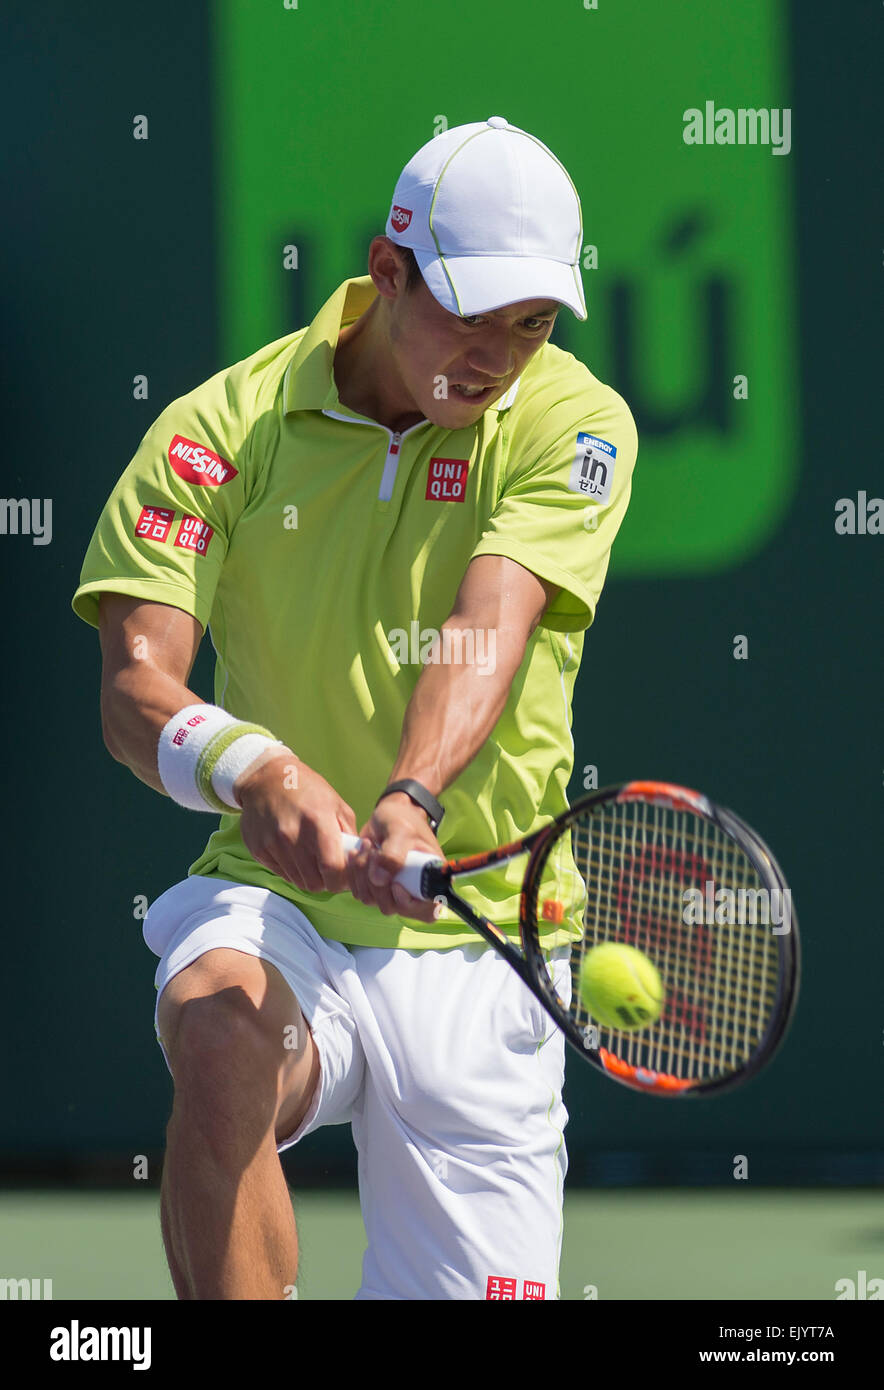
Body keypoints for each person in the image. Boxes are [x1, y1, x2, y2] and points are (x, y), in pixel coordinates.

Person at [72, 117, 638, 1301]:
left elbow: (493, 616)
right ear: (385, 273)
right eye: (469, 315)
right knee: (224, 1035)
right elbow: (136, 690)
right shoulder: (214, 433)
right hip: (284, 905)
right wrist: (255, 769)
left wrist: (409, 797)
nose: (496, 355)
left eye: (529, 324)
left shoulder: (571, 421)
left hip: (485, 928)